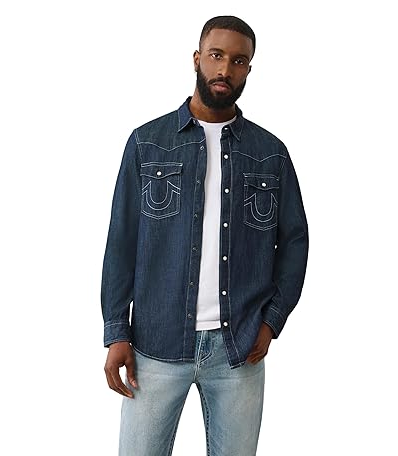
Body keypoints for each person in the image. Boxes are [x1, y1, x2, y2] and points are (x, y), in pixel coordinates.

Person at [101, 15, 309, 456]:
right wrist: (116, 330)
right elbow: (121, 241)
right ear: (197, 58)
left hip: (239, 349)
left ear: (248, 70)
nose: (225, 69)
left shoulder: (270, 153)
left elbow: (294, 242)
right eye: (216, 55)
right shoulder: (147, 143)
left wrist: (272, 320)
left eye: (238, 61)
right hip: (155, 344)